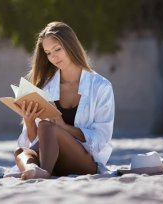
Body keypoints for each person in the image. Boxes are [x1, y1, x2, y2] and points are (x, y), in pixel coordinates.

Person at [13, 21, 115, 180]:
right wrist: (29, 120)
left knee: (49, 127)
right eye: (47, 53)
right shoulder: (45, 87)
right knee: (22, 151)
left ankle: (44, 172)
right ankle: (33, 169)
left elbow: (101, 138)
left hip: (84, 162)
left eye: (57, 49)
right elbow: (37, 142)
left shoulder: (101, 86)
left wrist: (64, 128)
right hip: (55, 161)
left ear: (71, 46)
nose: (53, 57)